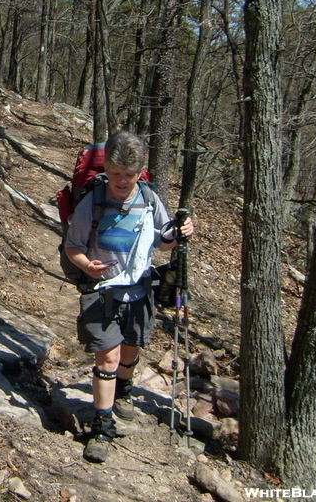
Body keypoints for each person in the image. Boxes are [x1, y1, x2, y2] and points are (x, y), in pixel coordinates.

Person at [64, 131, 193, 463]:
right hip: (101, 290)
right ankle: (102, 427)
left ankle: (124, 391)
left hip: (139, 289)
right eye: (117, 173)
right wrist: (86, 266)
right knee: (106, 359)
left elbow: (163, 242)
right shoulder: (92, 202)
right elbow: (73, 246)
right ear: (107, 166)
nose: (122, 181)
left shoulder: (149, 199)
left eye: (130, 175)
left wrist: (179, 235)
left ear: (140, 172)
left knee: (130, 351)